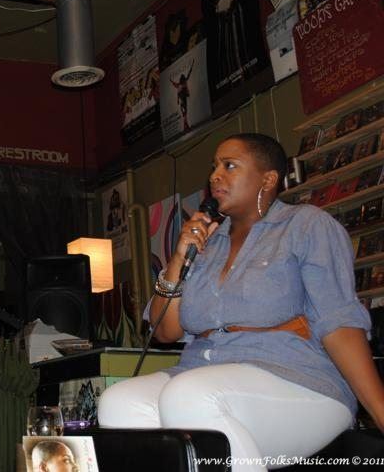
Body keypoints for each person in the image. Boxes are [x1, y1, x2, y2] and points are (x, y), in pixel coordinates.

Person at [98, 133, 384, 471]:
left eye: (229, 166)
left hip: (298, 380)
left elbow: (339, 324)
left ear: (268, 179)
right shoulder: (208, 243)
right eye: (214, 167)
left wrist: (379, 411)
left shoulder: (306, 225)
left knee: (189, 395)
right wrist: (178, 257)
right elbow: (165, 331)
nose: (215, 176)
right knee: (118, 403)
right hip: (201, 373)